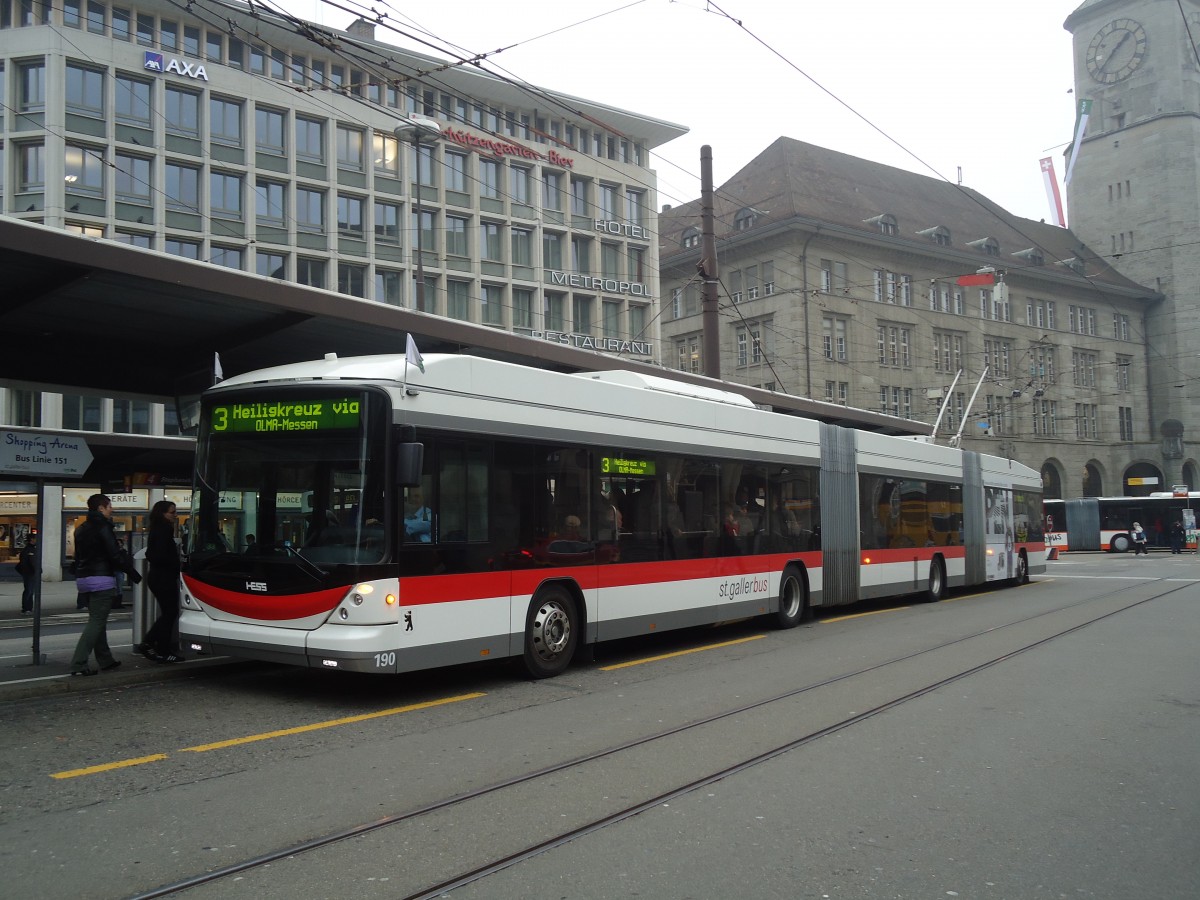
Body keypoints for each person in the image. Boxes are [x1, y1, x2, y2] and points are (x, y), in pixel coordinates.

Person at [69, 494, 142, 676]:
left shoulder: (81, 529)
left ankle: (105, 660)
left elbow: (78, 557)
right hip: (101, 579)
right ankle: (78, 663)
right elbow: (114, 555)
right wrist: (133, 574)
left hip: (84, 579)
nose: (112, 509)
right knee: (96, 622)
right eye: (110, 506)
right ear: (101, 508)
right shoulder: (103, 527)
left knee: (97, 621)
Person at [135, 500, 185, 664]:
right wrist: (176, 563)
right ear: (162, 513)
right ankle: (160, 648)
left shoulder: (157, 529)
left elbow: (152, 553)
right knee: (170, 613)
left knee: (168, 613)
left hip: (158, 576)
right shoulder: (164, 529)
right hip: (163, 577)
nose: (175, 514)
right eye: (172, 512)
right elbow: (158, 555)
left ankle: (152, 644)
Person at [15, 533, 37, 615]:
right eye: (35, 538)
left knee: (30, 590)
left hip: (28, 572)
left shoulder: (28, 549)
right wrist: (37, 570)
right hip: (30, 573)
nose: (36, 540)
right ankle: (26, 608)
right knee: (29, 590)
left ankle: (28, 608)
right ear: (32, 539)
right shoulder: (29, 550)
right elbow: (32, 562)